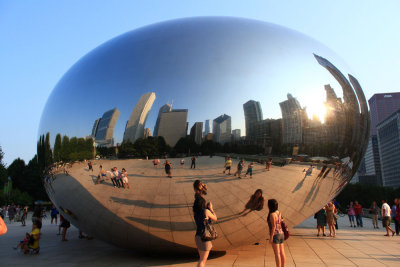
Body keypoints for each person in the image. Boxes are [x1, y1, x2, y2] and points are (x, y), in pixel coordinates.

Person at [193, 186, 217, 267]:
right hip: (204, 237)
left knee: (201, 259)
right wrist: (211, 208)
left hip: (198, 236)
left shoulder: (196, 213)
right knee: (203, 261)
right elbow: (215, 218)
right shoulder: (206, 211)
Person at [267, 199, 286, 267]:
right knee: (282, 252)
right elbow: (281, 221)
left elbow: (273, 226)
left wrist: (271, 237)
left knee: (277, 253)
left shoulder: (272, 214)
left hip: (276, 235)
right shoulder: (278, 212)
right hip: (281, 234)